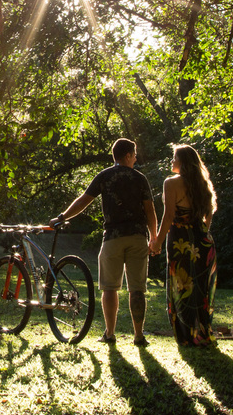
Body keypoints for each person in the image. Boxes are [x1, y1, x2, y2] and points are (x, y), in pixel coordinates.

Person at [50, 138, 158, 346]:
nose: (136, 158)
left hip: (112, 238)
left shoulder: (105, 176)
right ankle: (138, 336)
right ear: (127, 155)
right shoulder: (140, 178)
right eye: (134, 155)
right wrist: (153, 237)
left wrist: (62, 217)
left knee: (109, 288)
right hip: (137, 237)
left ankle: (109, 334)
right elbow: (150, 210)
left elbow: (83, 201)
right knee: (137, 289)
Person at [149, 143, 218, 346]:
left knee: (182, 286)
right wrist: (201, 236)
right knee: (200, 290)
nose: (171, 161)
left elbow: (169, 215)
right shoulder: (203, 184)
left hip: (181, 241)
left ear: (183, 162)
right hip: (203, 242)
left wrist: (157, 242)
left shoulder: (171, 183)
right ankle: (203, 333)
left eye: (174, 158)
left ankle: (187, 336)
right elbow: (208, 218)